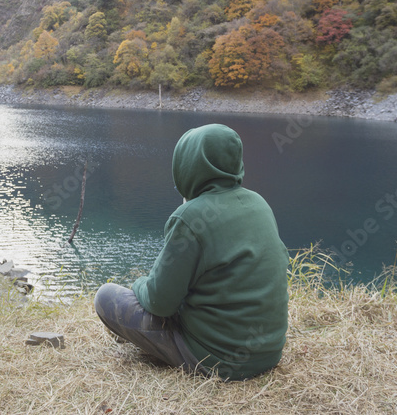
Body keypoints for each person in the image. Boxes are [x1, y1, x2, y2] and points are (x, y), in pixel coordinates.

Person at [94, 123, 289, 381]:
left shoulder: (190, 217)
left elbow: (159, 302)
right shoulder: (259, 203)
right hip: (269, 352)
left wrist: (139, 284)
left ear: (188, 166)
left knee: (106, 296)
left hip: (216, 359)